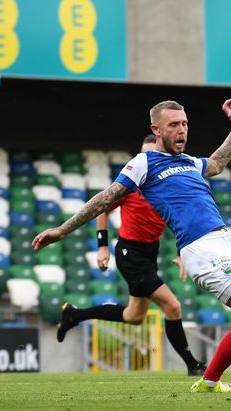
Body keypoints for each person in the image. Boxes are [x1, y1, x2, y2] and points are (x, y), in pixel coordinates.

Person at [33, 99, 231, 394]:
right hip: (201, 249)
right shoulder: (144, 163)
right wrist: (63, 230)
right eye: (173, 125)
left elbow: (218, 163)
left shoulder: (189, 162)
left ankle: (208, 382)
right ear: (156, 130)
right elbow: (105, 199)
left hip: (223, 243)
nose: (181, 130)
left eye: (184, 124)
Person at [55, 135, 207, 377]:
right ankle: (193, 365)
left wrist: (181, 252)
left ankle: (75, 314)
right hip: (130, 253)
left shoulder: (164, 186)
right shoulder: (130, 185)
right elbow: (101, 208)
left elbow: (177, 218)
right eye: (144, 155)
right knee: (173, 306)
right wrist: (102, 246)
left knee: (134, 316)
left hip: (149, 253)